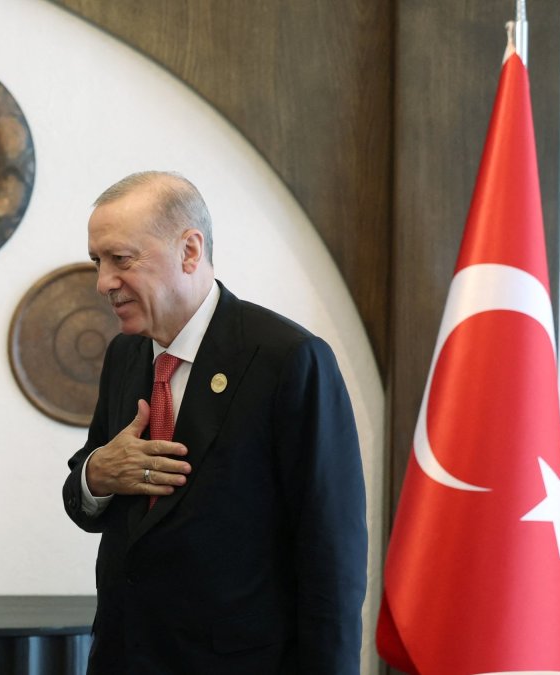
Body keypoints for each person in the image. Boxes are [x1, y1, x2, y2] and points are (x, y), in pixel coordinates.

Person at [62, 172, 367, 673]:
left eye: (122, 259)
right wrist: (97, 474)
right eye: (98, 262)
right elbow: (89, 492)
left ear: (189, 250)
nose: (103, 282)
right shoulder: (124, 354)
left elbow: (330, 559)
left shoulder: (287, 359)